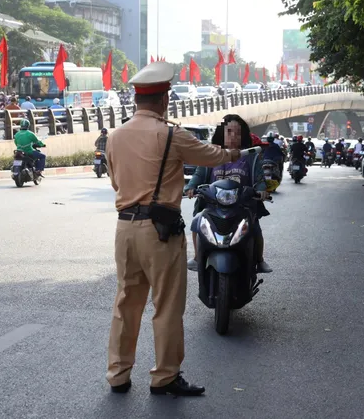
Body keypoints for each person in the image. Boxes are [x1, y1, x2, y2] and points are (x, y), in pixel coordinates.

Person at [104, 61, 241, 397]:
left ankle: (118, 375)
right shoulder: (171, 134)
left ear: (137, 99)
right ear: (165, 99)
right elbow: (211, 156)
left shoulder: (115, 136)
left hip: (125, 229)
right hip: (160, 231)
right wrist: (233, 152)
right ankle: (164, 376)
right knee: (166, 306)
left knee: (126, 302)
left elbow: (115, 181)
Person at [185, 114, 272, 274]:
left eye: (238, 132)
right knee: (197, 223)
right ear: (221, 134)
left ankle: (259, 260)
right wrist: (191, 186)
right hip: (213, 205)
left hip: (242, 205)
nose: (234, 136)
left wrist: (261, 190)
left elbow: (259, 178)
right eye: (229, 131)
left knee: (254, 227)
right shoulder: (211, 153)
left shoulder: (251, 156)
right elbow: (199, 173)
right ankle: (198, 257)